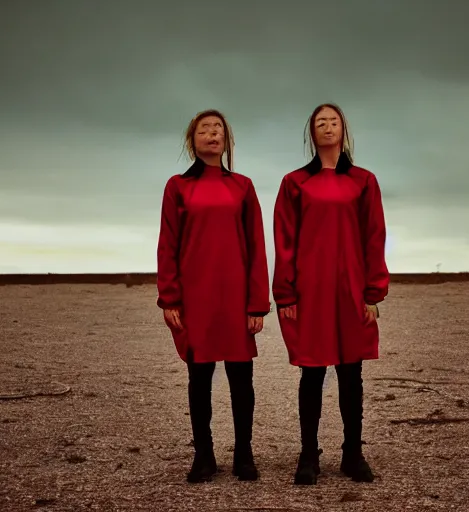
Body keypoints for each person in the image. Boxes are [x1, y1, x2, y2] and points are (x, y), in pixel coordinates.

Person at [272, 103, 389, 485]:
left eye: (333, 122)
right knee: (312, 371)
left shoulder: (363, 180)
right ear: (312, 133)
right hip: (311, 290)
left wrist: (373, 292)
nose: (327, 127)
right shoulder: (295, 182)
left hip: (352, 289)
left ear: (343, 130)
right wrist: (285, 294)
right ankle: (309, 455)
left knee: (351, 372)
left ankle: (352, 454)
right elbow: (284, 240)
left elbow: (374, 237)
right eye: (320, 123)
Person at [156, 109, 271, 484]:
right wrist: (169, 298)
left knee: (242, 379)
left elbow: (257, 245)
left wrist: (257, 304)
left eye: (217, 129)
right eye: (204, 129)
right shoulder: (177, 186)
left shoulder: (243, 186)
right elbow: (168, 244)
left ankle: (244, 453)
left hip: (236, 297)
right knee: (199, 379)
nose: (211, 134)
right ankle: (203, 455)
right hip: (196, 297)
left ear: (226, 140)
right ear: (193, 140)